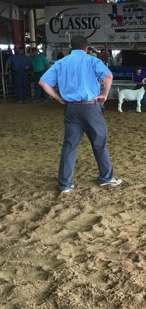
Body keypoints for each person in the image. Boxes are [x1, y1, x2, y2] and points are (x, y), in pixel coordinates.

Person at [39, 35, 122, 193]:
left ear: (71, 47)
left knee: (69, 146)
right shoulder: (92, 60)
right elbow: (109, 76)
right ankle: (106, 178)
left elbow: (43, 82)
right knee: (99, 143)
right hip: (91, 108)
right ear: (86, 48)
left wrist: (58, 98)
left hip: (71, 108)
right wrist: (104, 94)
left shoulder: (61, 62)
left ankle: (65, 184)